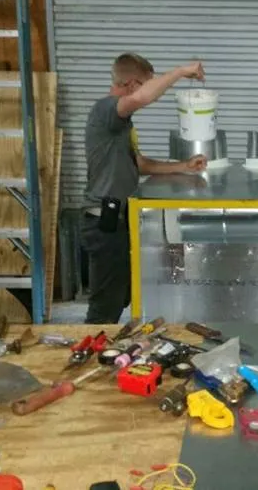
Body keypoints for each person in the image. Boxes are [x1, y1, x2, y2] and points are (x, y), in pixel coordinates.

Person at [81, 53, 208, 324]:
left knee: (120, 298)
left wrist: (184, 166)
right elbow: (142, 98)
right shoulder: (105, 110)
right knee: (104, 308)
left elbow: (138, 164)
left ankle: (106, 343)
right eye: (147, 84)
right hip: (104, 224)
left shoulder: (121, 124)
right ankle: (91, 348)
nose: (154, 96)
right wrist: (180, 71)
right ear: (131, 84)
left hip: (119, 221)